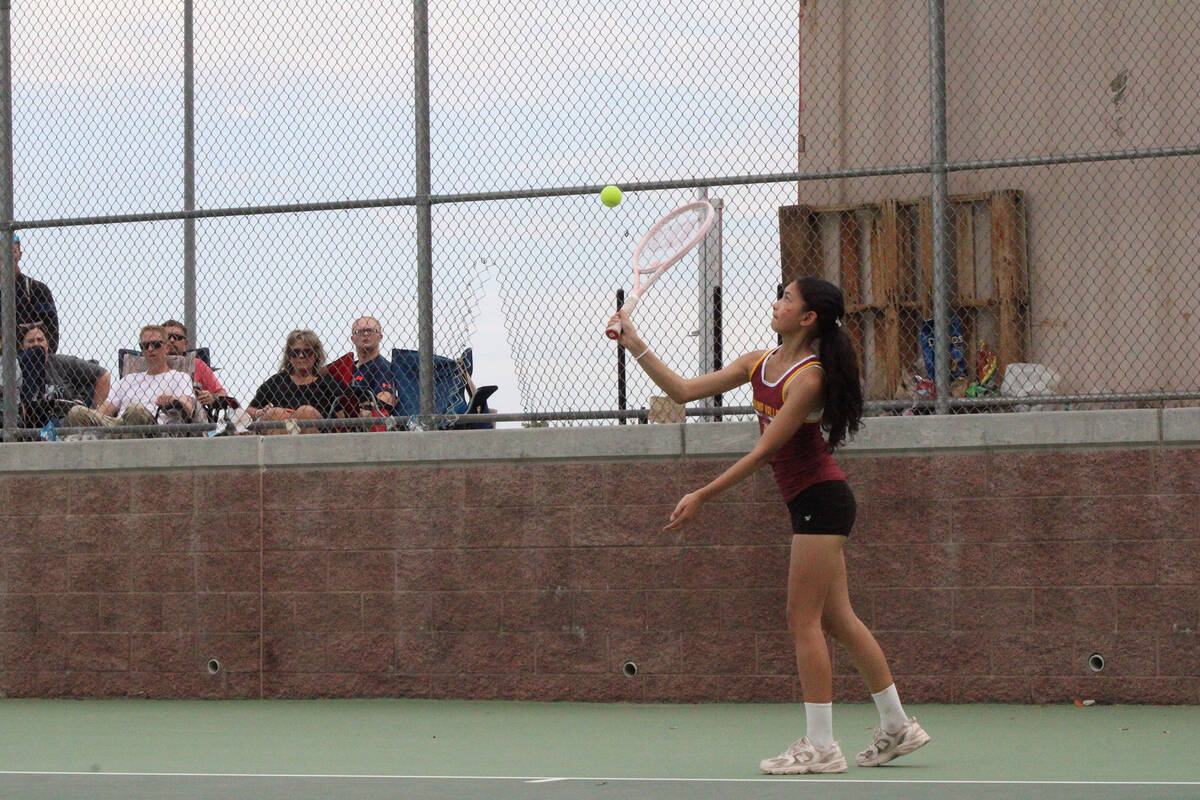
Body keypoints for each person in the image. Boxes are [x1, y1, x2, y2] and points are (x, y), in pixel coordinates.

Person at [609, 276, 930, 775]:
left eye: (786, 299)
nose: (776, 303)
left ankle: (821, 747)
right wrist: (636, 344)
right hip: (814, 503)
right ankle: (897, 724)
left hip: (821, 503)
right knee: (838, 620)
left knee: (803, 621)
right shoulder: (759, 362)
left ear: (807, 319)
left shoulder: (809, 378)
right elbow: (683, 390)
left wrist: (701, 495)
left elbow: (764, 452)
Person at [65, 325, 195, 432]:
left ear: (166, 347)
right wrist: (91, 416)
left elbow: (189, 407)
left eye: (155, 344)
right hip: (118, 427)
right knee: (76, 412)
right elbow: (104, 411)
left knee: (135, 410)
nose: (150, 349)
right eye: (145, 346)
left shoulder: (179, 377)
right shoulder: (129, 379)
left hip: (153, 429)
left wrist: (174, 399)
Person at [245, 329, 342, 434]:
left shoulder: (327, 381)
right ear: (289, 356)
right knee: (276, 413)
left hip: (315, 431)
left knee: (306, 412)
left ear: (315, 355)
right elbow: (248, 411)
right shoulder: (276, 381)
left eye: (306, 352)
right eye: (295, 352)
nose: (301, 356)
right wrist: (259, 412)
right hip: (280, 429)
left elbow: (343, 415)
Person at [17, 322, 110, 427]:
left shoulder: (62, 362)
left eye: (40, 340)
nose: (37, 344)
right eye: (31, 341)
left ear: (47, 344)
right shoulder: (17, 368)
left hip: (66, 422)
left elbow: (104, 376)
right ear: (22, 347)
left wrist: (95, 412)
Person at [3, 233, 60, 353]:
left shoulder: (36, 289)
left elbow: (51, 333)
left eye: (12, 251)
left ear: (19, 255)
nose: (6, 256)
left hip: (31, 361)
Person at [161, 319, 229, 411]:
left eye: (177, 337)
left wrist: (212, 397)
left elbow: (222, 393)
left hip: (191, 417)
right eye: (167, 337)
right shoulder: (150, 363)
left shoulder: (197, 364)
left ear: (185, 344)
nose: (172, 340)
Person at [348, 316, 396, 416]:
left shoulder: (383, 366)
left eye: (371, 331)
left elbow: (386, 399)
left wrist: (367, 405)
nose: (366, 334)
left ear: (380, 337)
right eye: (360, 332)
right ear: (353, 339)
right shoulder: (347, 367)